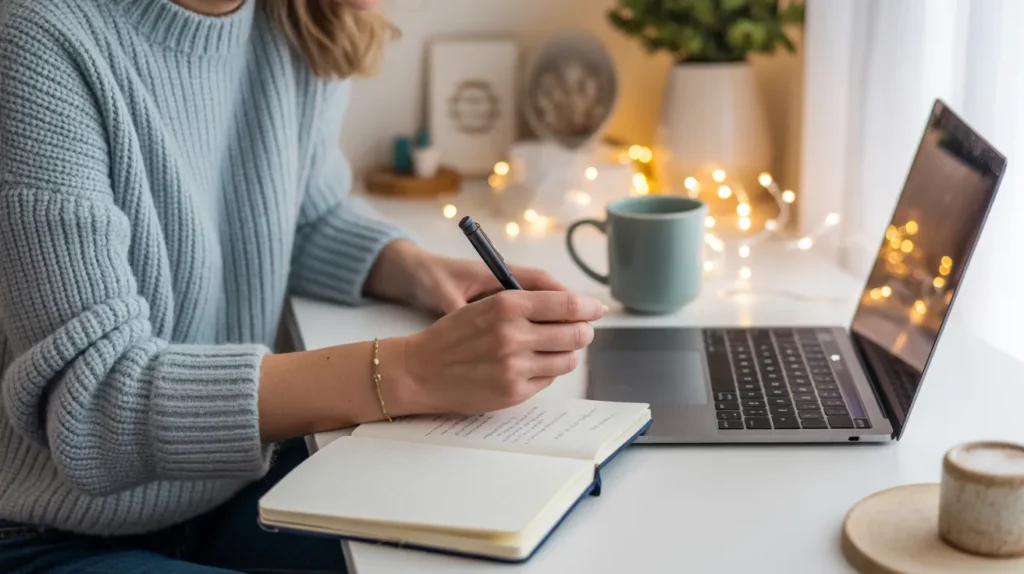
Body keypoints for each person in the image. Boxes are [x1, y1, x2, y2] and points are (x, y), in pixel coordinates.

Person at [0, 0, 604, 571]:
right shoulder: (41, 39)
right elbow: (95, 403)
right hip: (54, 536)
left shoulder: (290, 22)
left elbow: (302, 214)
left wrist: (420, 270)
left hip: (233, 495)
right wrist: (412, 371)